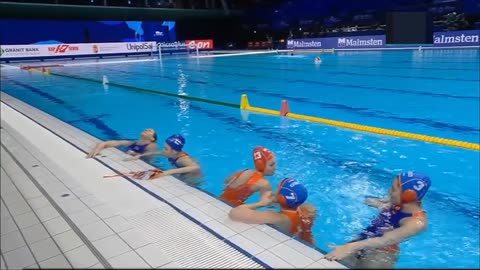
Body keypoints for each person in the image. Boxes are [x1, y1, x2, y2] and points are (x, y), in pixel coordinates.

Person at [325, 172, 431, 269]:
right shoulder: (395, 202)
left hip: (380, 255)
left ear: (408, 195)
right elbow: (371, 201)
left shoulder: (416, 223)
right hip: (360, 241)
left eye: (393, 189)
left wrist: (350, 246)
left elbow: (384, 240)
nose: (389, 191)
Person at [229, 177, 317, 245]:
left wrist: (261, 203)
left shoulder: (276, 217)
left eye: (277, 190)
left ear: (282, 198)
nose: (273, 193)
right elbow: (310, 242)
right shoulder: (305, 212)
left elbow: (234, 213)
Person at [126, 134, 202, 184]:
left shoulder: (182, 159)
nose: (163, 150)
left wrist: (168, 172)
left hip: (192, 176)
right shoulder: (171, 152)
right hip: (184, 169)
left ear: (174, 151)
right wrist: (139, 155)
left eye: (166, 148)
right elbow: (157, 153)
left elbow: (196, 167)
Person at [86, 128, 158, 158]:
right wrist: (96, 150)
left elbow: (147, 157)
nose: (146, 129)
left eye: (149, 130)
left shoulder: (152, 146)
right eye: (145, 129)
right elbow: (105, 143)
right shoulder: (133, 142)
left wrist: (134, 154)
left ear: (152, 138)